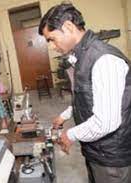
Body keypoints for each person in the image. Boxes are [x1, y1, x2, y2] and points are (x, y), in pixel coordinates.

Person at [38, 3, 131, 183]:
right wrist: (65, 115)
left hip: (113, 158)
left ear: (68, 27)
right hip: (97, 151)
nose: (51, 46)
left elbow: (106, 123)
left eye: (51, 38)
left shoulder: (104, 59)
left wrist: (69, 134)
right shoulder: (82, 56)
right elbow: (87, 97)